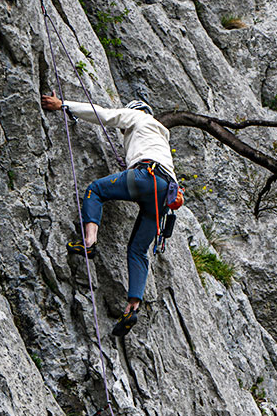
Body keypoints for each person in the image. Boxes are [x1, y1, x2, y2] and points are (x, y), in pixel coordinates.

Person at [41, 92, 177, 336]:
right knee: (137, 250)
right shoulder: (161, 137)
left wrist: (64, 105)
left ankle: (89, 242)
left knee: (96, 190)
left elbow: (102, 114)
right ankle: (132, 306)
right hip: (165, 193)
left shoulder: (137, 116)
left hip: (146, 176)